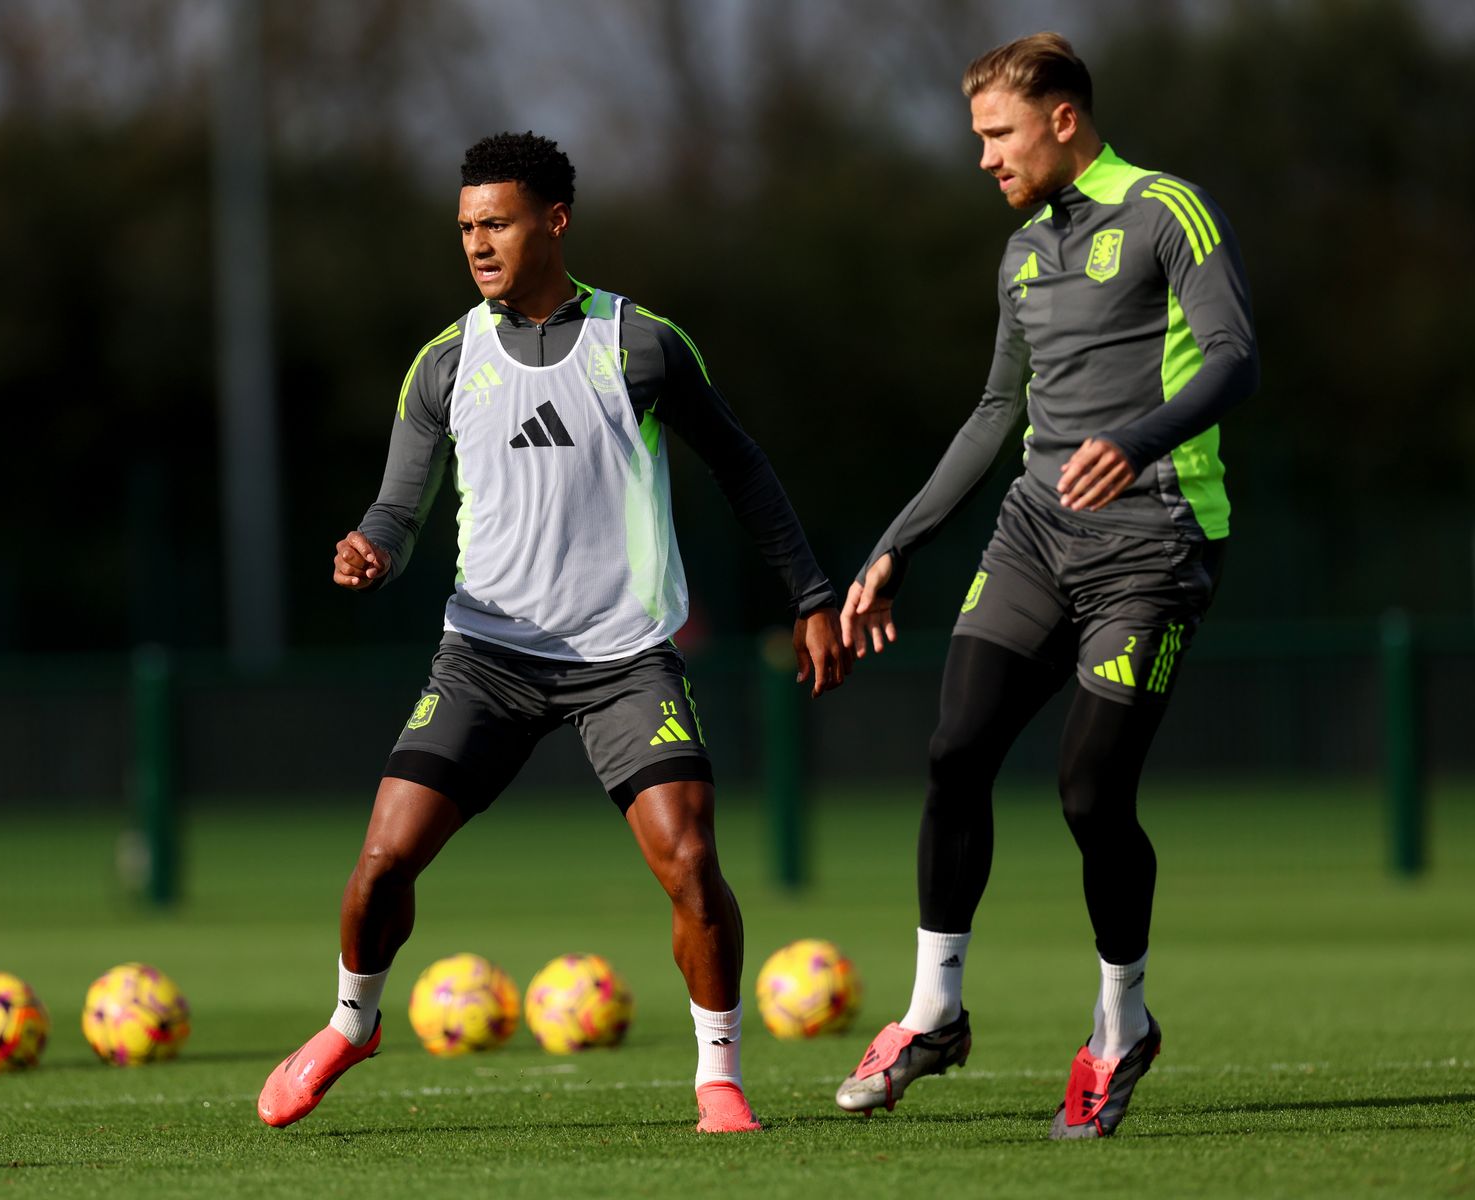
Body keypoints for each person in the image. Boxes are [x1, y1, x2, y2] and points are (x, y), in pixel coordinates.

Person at [258, 131, 851, 1135]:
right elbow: (399, 511)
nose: (477, 244)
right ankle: (353, 1022)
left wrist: (810, 594)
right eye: (465, 228)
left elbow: (743, 468)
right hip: (485, 655)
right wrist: (369, 548)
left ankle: (718, 1076)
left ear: (555, 221)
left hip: (623, 659)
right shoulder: (446, 361)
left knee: (692, 864)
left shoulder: (644, 343)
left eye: (496, 223)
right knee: (381, 864)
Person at [833, 33, 1257, 1138]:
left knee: (1088, 794)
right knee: (954, 748)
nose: (983, 157)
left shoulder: (1169, 210)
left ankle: (1122, 1025)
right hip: (1034, 535)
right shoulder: (1024, 252)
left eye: (996, 134)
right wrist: (897, 545)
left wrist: (1139, 435)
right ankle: (934, 1013)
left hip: (1152, 542)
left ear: (1063, 119)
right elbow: (993, 414)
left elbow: (1232, 355)